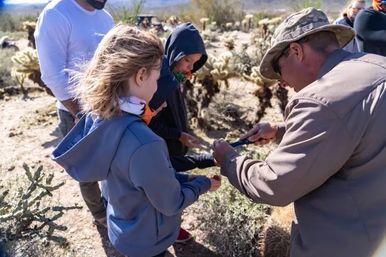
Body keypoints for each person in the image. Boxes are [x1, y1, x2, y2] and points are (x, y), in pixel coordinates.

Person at [213, 7, 386, 257]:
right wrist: (281, 131)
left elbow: (275, 184)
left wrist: (229, 160)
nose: (281, 82)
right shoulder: (376, 66)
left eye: (279, 69)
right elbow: (355, 129)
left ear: (296, 51)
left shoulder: (321, 98)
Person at [51, 25, 221, 257]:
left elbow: (135, 179)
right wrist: (203, 184)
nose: (158, 84)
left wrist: (181, 176)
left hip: (123, 230)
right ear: (141, 76)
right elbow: (170, 202)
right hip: (149, 242)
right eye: (156, 76)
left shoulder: (102, 120)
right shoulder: (145, 143)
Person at [34, 0, 114, 227]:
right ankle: (100, 214)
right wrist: (79, 112)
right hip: (75, 112)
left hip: (108, 106)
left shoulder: (105, 18)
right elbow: (52, 75)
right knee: (86, 167)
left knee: (112, 162)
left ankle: (115, 206)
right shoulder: (56, 14)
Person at [148, 22, 216, 242]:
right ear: (174, 51)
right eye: (187, 60)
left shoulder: (177, 76)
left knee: (174, 187)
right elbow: (151, 123)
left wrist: (183, 133)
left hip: (174, 142)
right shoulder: (160, 81)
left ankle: (172, 227)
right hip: (160, 146)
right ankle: (163, 231)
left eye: (195, 63)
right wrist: (177, 134)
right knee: (164, 191)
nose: (190, 68)